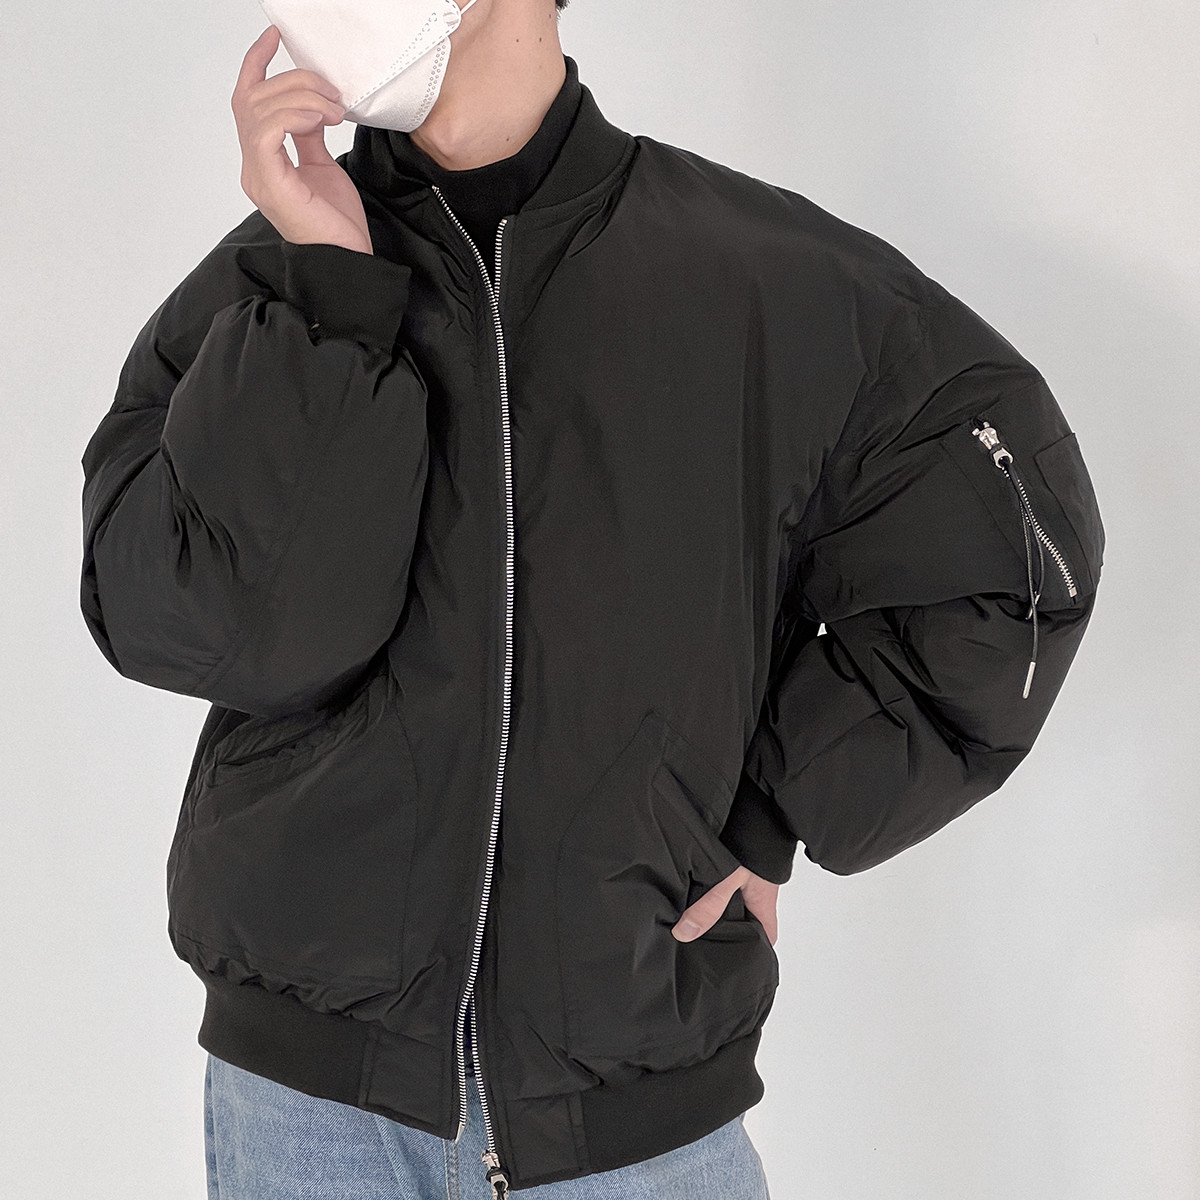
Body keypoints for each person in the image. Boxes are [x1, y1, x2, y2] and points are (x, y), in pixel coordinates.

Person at [78, 1, 1105, 1196]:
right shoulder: (270, 286)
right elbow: (216, 627)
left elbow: (1015, 561)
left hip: (632, 1121)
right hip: (307, 1114)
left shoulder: (766, 279)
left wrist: (779, 799)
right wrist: (331, 297)